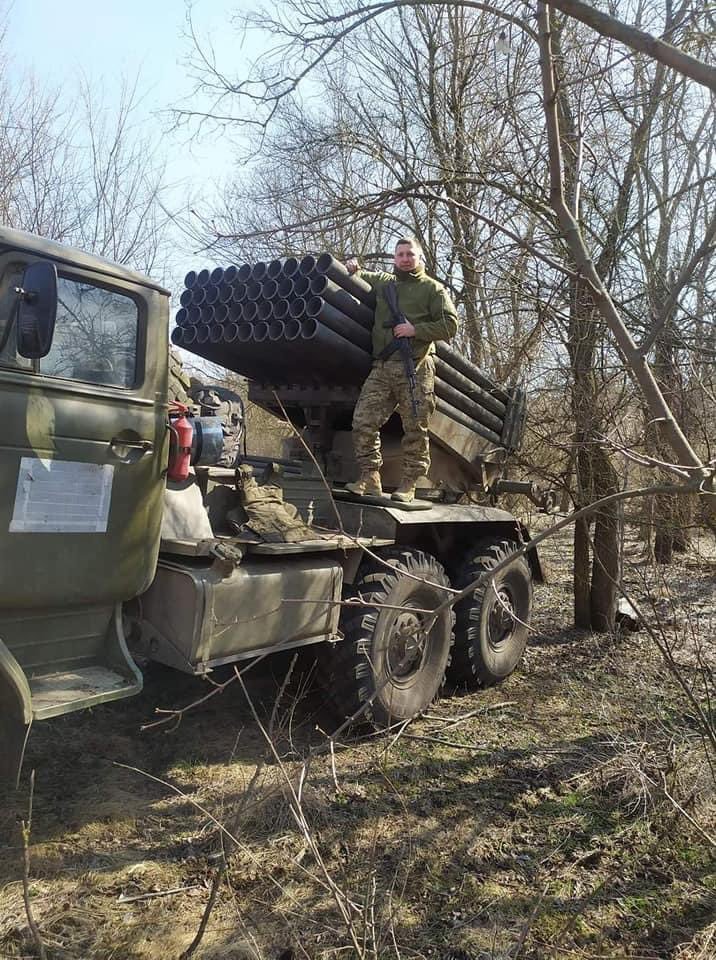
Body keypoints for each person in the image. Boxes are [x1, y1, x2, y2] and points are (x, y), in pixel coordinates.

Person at [344, 236, 458, 503]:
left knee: (415, 428)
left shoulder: (432, 289)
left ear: (419, 257)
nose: (405, 259)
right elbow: (358, 273)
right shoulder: (386, 283)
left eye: (410, 254)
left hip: (415, 367)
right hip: (383, 367)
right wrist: (352, 267)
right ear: (394, 258)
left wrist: (415, 330)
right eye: (400, 254)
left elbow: (450, 325)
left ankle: (409, 483)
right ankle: (370, 476)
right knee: (362, 421)